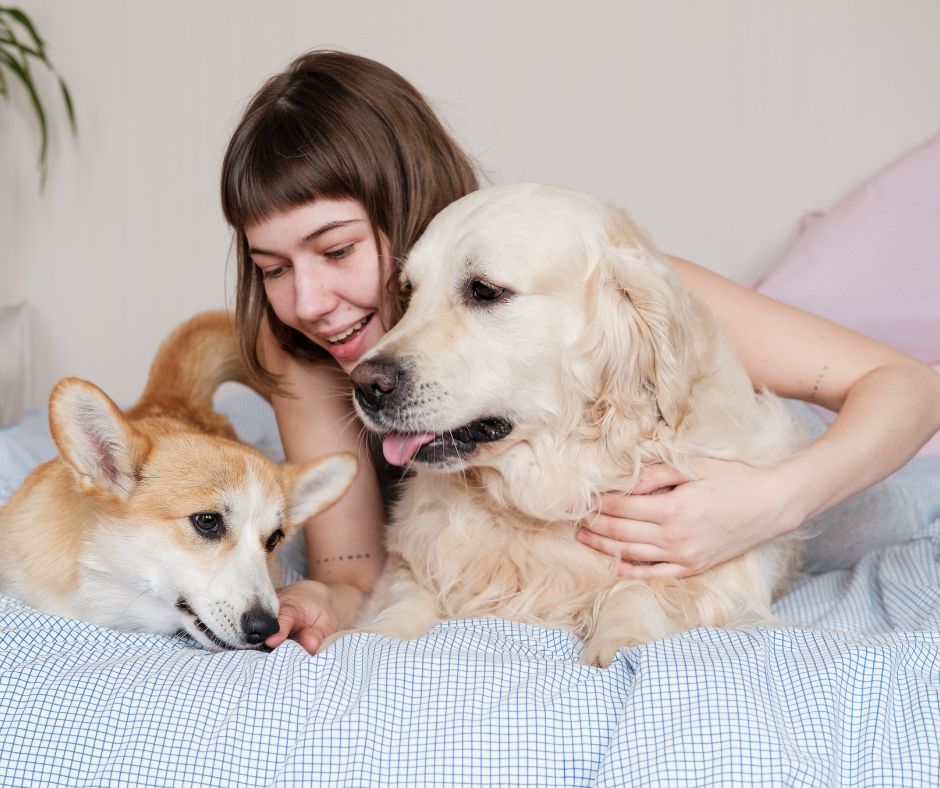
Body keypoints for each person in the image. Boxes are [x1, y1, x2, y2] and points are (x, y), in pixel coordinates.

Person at [220, 50, 940, 654]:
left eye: (337, 250)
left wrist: (769, 502)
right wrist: (322, 598)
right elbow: (353, 568)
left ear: (407, 211)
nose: (307, 301)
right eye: (273, 268)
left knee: (883, 511)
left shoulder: (611, 279)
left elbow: (908, 384)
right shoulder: (303, 350)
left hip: (771, 464)